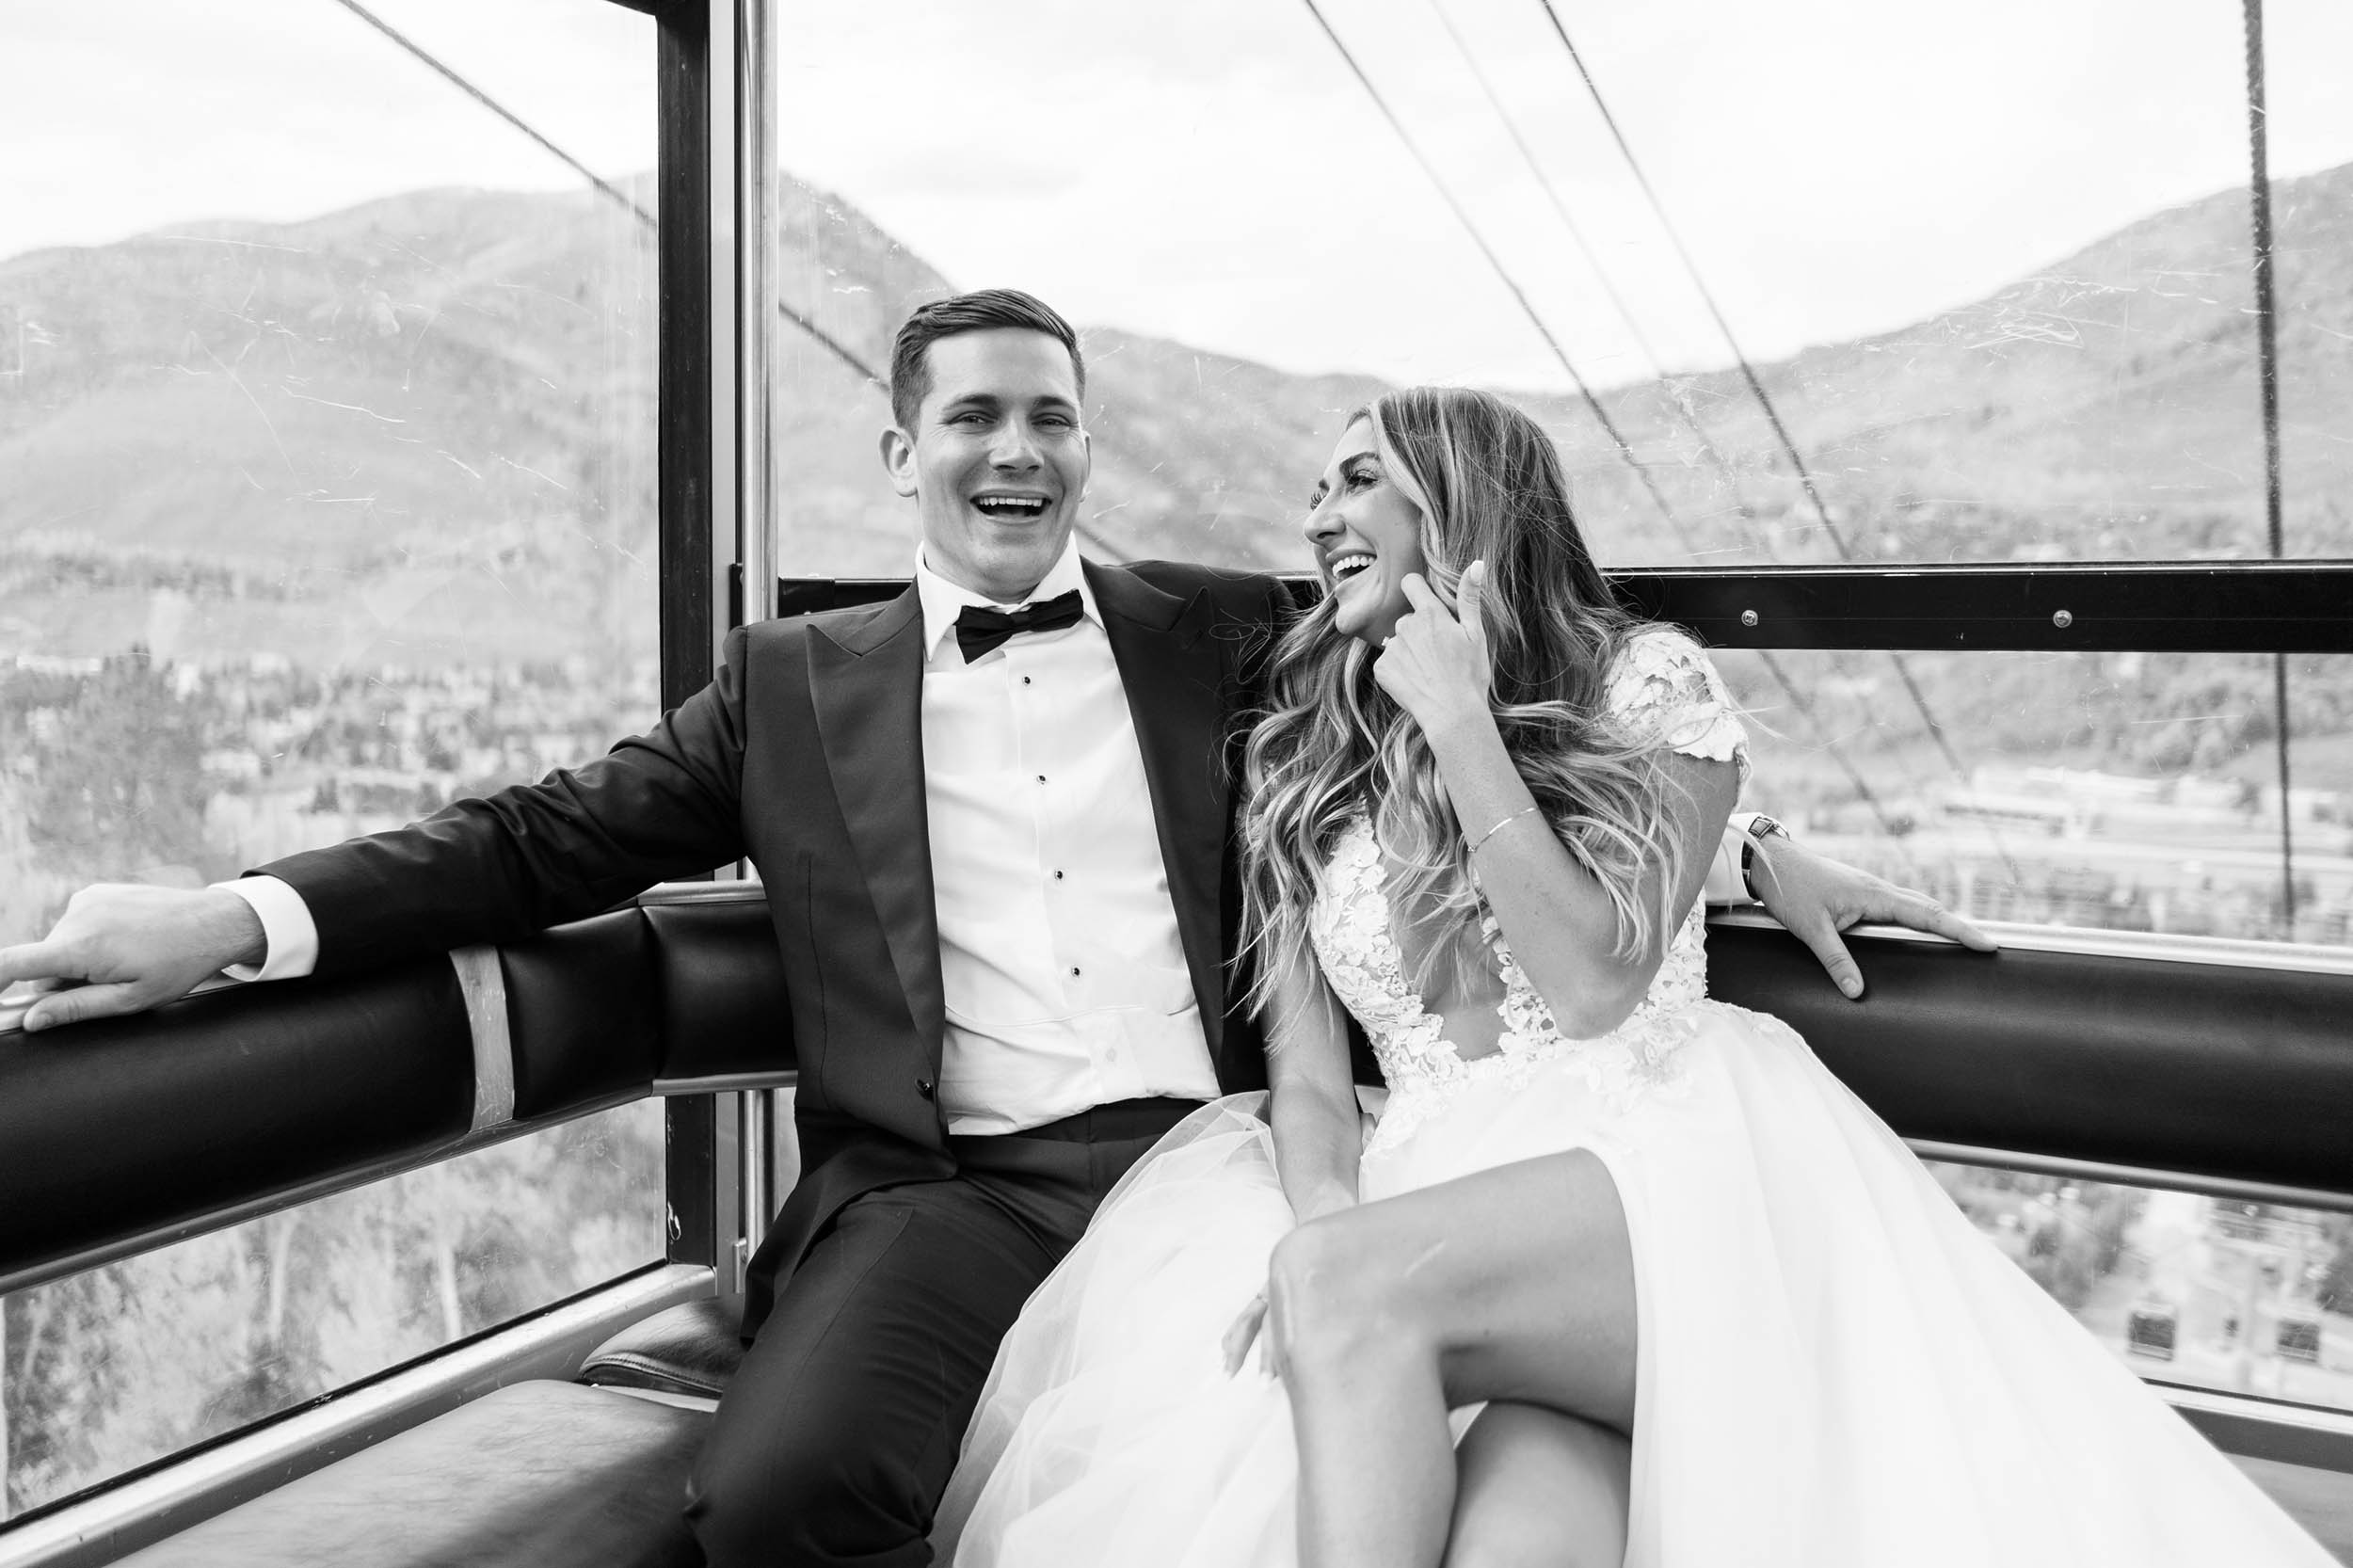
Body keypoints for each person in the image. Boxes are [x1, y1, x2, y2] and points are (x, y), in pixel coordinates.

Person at [0, 296, 1981, 1568]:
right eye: (971, 420)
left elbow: (1512, 720)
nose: (1015, 451)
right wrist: (235, 916)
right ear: (900, 454)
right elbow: (535, 840)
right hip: (953, 1183)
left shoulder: (1219, 628)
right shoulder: (787, 681)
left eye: (1049, 417)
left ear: (1085, 450)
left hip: (1204, 1155)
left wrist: (1745, 852)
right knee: (775, 1494)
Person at [936, 387, 2334, 1568]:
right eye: (1312, 487)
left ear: (1463, 504)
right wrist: (1314, 1234)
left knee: (1352, 1297)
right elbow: (1308, 1080)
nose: (1317, 512)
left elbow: (1598, 982)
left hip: (1657, 1177)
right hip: (1426, 1217)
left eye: (1359, 476)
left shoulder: (1648, 683)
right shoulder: (1298, 759)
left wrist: (1465, 724)